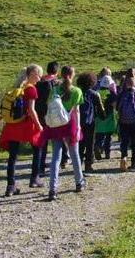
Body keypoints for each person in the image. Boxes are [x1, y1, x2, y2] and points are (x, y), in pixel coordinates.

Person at [0, 64, 43, 196]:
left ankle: (10, 186)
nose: (39, 79)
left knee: (12, 156)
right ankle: (34, 178)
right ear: (32, 74)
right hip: (27, 125)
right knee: (38, 147)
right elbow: (31, 110)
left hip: (12, 125)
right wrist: (39, 125)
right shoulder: (31, 90)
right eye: (38, 75)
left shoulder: (16, 88)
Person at [42, 66, 85, 201]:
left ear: (61, 74)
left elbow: (49, 105)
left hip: (55, 126)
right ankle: (79, 182)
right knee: (74, 155)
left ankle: (52, 189)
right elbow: (76, 111)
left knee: (55, 157)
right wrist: (78, 128)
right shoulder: (77, 91)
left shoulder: (54, 89)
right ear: (72, 75)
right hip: (70, 124)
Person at [34, 61, 59, 180]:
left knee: (42, 140)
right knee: (58, 139)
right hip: (52, 115)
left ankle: (41, 166)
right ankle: (60, 161)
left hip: (40, 114)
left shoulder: (39, 82)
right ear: (56, 71)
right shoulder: (56, 83)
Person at [76, 72, 106, 173]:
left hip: (78, 122)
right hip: (90, 122)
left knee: (80, 144)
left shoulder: (77, 92)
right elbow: (101, 110)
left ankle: (78, 164)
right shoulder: (94, 94)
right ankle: (88, 165)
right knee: (90, 144)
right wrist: (103, 117)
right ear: (92, 82)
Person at [117, 76, 135, 171]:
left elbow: (117, 108)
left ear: (126, 84)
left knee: (124, 142)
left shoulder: (122, 95)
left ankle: (124, 158)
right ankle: (134, 162)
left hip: (123, 122)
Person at [94, 74, 118, 160]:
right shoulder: (112, 94)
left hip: (99, 118)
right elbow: (115, 106)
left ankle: (97, 146)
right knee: (108, 136)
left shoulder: (96, 93)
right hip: (109, 117)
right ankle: (107, 153)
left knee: (99, 135)